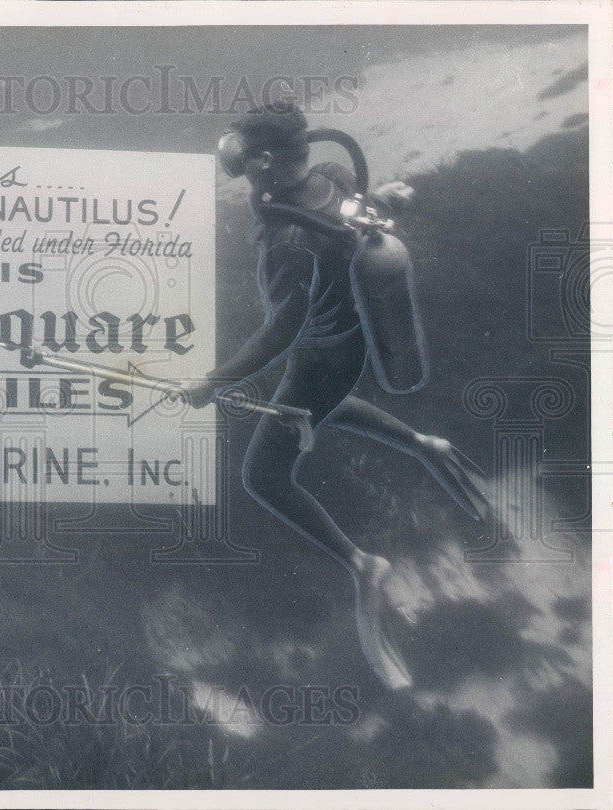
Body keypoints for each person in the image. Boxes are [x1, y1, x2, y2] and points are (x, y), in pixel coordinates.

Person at [180, 101, 489, 690]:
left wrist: (214, 383)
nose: (238, 164)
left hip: (321, 356)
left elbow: (281, 329)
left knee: (263, 476)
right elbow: (355, 211)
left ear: (267, 161)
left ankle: (362, 564)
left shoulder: (290, 238)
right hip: (344, 346)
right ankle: (423, 441)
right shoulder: (332, 176)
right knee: (307, 406)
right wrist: (388, 199)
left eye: (243, 155)